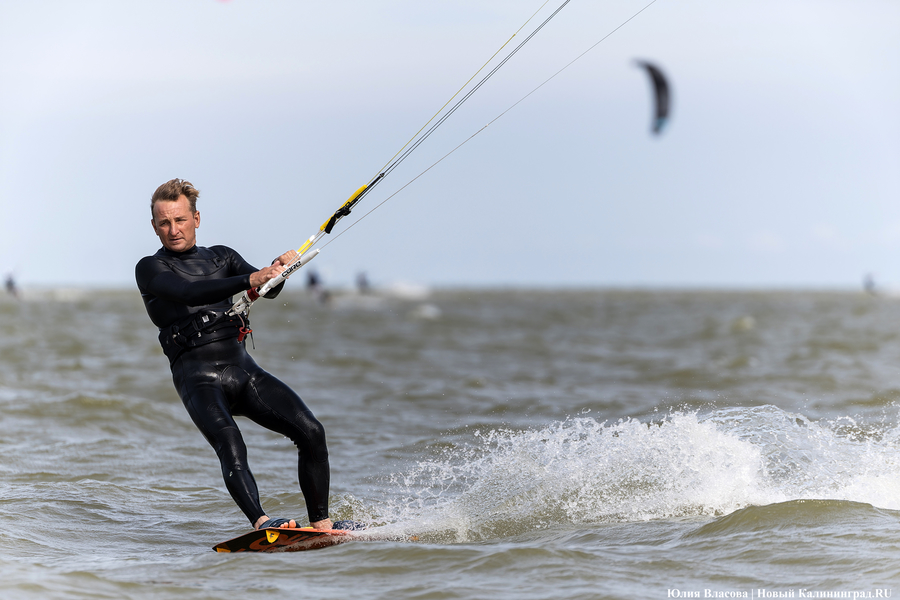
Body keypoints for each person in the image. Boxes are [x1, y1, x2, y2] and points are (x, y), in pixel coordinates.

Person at [135, 178, 333, 532]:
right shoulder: (150, 268)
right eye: (164, 223)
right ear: (154, 226)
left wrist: (278, 271)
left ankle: (321, 525)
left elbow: (267, 290)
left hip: (243, 371)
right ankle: (261, 522)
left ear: (197, 218)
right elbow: (188, 291)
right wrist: (252, 278)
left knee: (312, 431)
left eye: (180, 220)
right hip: (198, 379)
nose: (173, 229)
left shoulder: (223, 256)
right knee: (230, 442)